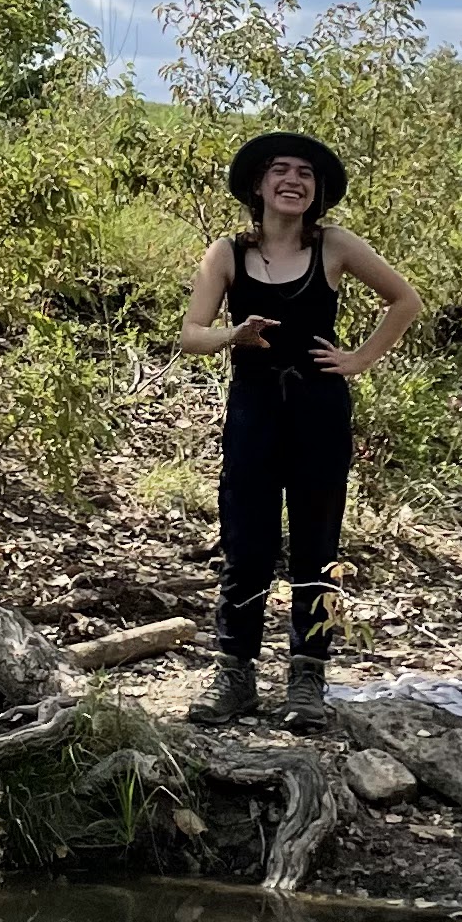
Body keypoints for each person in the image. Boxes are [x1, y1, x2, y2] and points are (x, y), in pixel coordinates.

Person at [170, 131, 420, 723]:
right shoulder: (225, 254)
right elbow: (191, 334)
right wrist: (234, 335)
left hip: (319, 411)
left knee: (317, 544)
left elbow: (404, 301)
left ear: (318, 190)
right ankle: (235, 675)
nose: (293, 180)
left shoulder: (334, 245)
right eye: (279, 170)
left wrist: (357, 359)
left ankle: (308, 679)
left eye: (305, 173)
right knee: (246, 544)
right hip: (255, 409)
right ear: (257, 184)